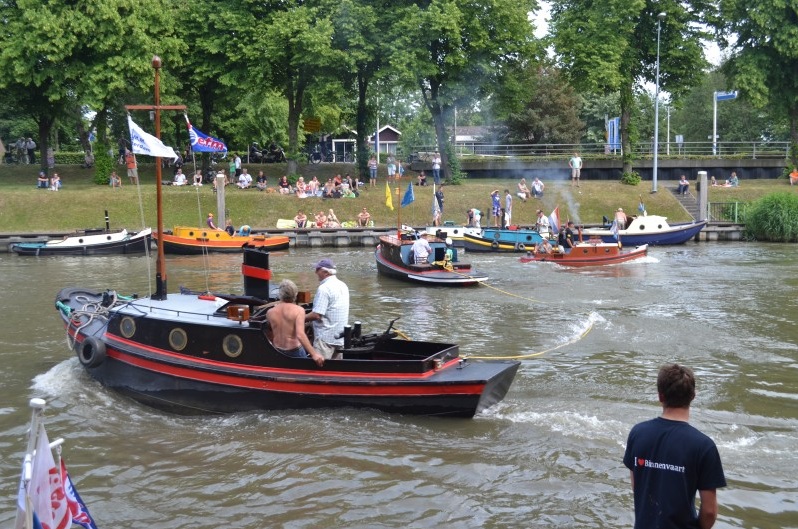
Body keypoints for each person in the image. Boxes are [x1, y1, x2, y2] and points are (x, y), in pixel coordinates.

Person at [623, 364, 726, 529]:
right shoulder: (704, 446)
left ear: (660, 396)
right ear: (693, 396)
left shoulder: (638, 433)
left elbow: (638, 487)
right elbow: (709, 511)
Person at [266, 279, 324, 367]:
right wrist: (314, 354)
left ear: (280, 294)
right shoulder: (299, 310)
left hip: (277, 350)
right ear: (295, 294)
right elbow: (300, 335)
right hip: (295, 351)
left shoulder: (270, 312)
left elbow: (270, 332)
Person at [306, 259, 350, 360]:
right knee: (335, 371)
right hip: (339, 338)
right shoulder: (343, 285)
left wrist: (300, 318)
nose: (315, 272)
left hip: (325, 340)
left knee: (319, 371)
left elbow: (317, 315)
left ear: (325, 272)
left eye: (317, 269)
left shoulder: (324, 289)